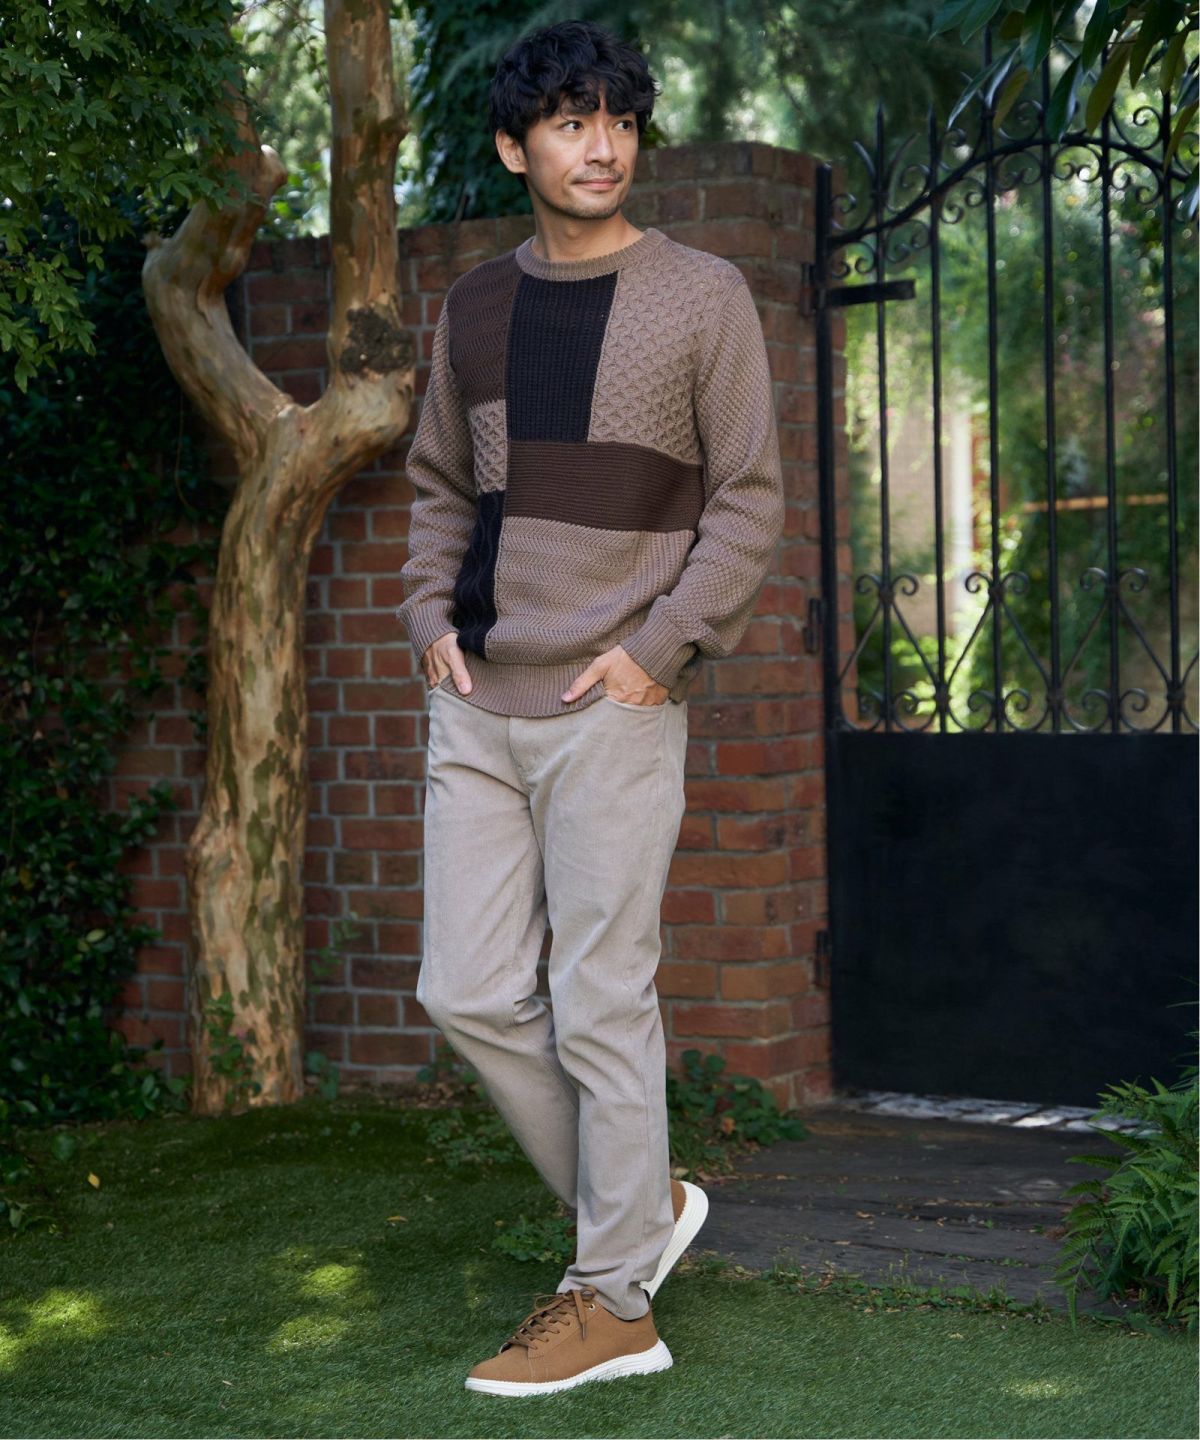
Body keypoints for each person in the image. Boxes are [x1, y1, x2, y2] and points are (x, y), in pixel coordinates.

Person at [394, 17, 785, 1398]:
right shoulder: (473, 309)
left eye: (618, 119)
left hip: (612, 700)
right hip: (478, 702)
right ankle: (642, 1204)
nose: (601, 144)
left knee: (599, 999)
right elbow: (440, 486)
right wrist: (429, 619)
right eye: (570, 121)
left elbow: (748, 502)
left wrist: (659, 651)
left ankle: (614, 1301)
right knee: (465, 990)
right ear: (517, 148)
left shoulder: (702, 297)